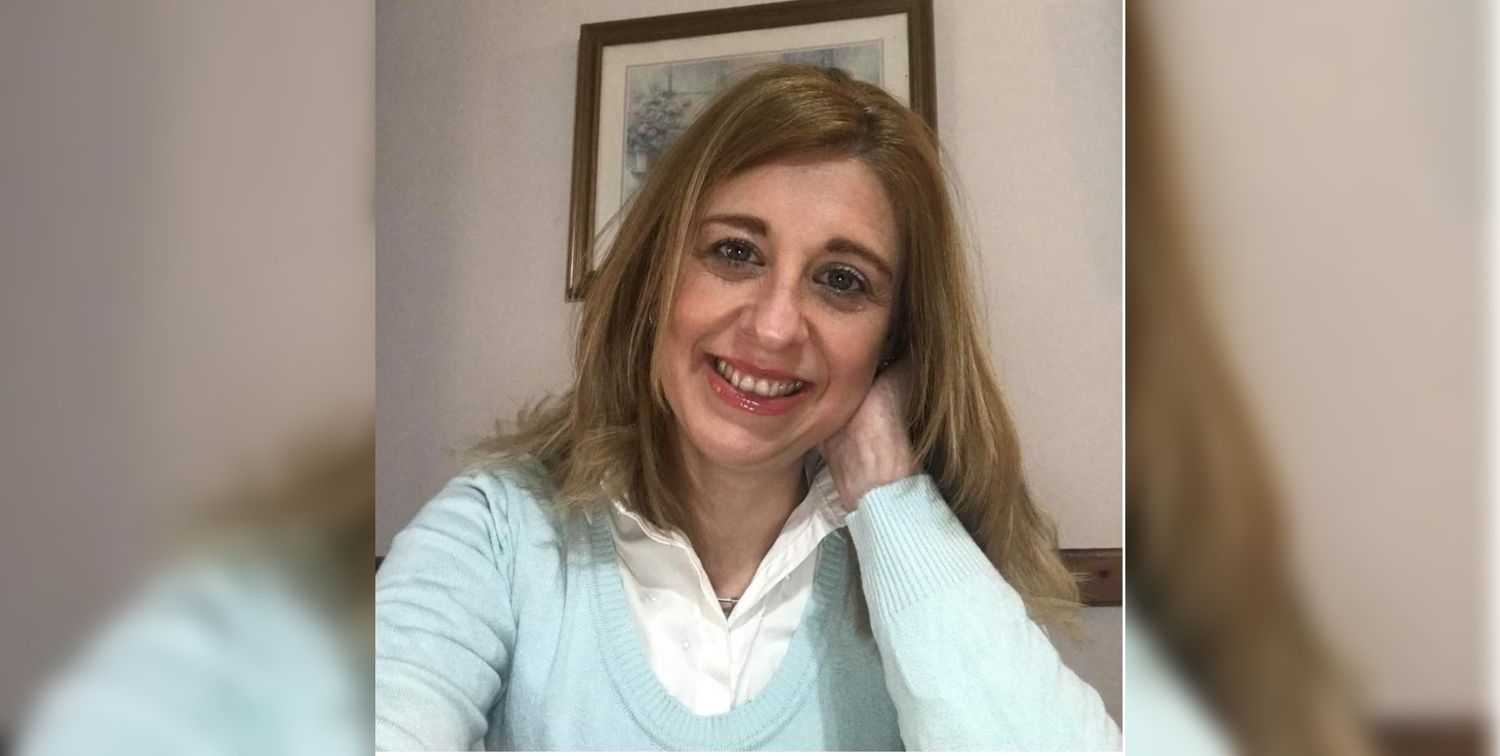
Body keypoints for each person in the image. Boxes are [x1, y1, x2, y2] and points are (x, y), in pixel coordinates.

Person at [375, 63, 1120, 751]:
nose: (773, 327)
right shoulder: (496, 534)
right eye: (735, 253)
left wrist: (887, 488)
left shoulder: (926, 573)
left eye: (841, 280)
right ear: (655, 274)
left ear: (896, 341)